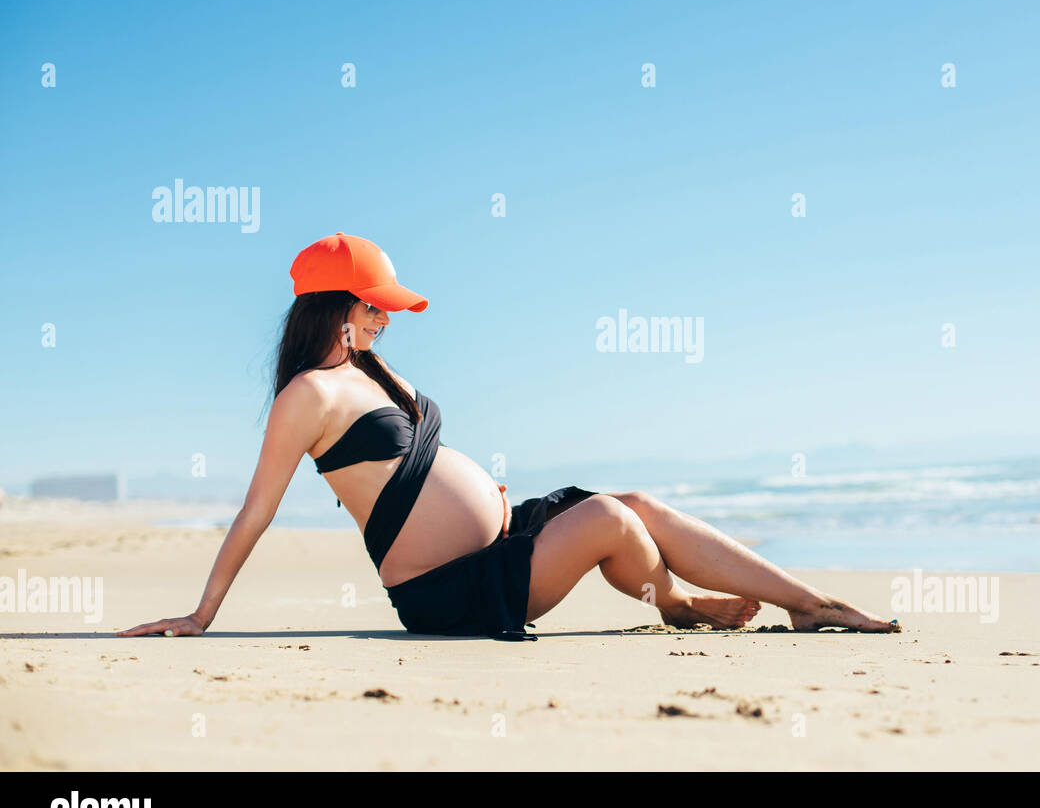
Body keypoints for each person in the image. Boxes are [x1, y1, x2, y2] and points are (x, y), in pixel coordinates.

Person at [118, 233, 901, 641]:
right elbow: (257, 511)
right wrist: (200, 614)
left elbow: (415, 464)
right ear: (335, 307)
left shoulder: (377, 371)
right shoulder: (307, 396)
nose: (385, 316)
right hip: (448, 594)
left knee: (634, 502)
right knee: (609, 523)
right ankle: (681, 601)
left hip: (491, 549)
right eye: (374, 305)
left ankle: (802, 602)